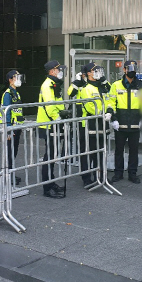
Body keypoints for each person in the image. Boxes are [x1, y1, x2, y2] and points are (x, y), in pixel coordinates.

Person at [106, 60, 142, 184]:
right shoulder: (116, 85)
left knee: (134, 150)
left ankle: (132, 174)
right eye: (129, 68)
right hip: (120, 123)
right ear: (124, 70)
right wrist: (113, 119)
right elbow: (111, 102)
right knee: (119, 150)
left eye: (134, 68)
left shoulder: (141, 85)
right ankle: (118, 173)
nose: (132, 71)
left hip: (135, 122)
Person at [37, 60, 70, 198]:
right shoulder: (47, 85)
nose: (60, 71)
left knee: (53, 155)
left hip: (55, 123)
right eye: (58, 69)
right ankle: (47, 187)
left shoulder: (54, 83)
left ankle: (51, 181)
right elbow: (50, 106)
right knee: (49, 156)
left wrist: (63, 113)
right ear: (52, 71)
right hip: (49, 124)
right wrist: (57, 117)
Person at [78, 62, 112, 188]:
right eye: (95, 70)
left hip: (101, 123)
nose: (98, 72)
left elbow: (109, 99)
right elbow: (90, 107)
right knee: (88, 153)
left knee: (100, 151)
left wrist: (109, 110)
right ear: (89, 74)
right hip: (89, 125)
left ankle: (101, 176)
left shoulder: (101, 87)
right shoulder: (87, 89)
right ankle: (87, 178)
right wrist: (104, 112)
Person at [0, 70, 25, 185]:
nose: (18, 78)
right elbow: (6, 112)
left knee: (13, 152)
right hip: (11, 129)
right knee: (9, 153)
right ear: (10, 79)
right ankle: (7, 176)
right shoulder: (7, 94)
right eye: (16, 76)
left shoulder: (16, 93)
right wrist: (8, 129)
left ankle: (10, 174)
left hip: (16, 128)